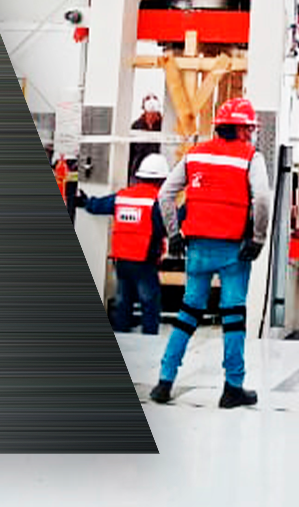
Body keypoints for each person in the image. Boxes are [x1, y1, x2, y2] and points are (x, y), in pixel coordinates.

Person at [149, 97, 272, 409]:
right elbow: (262, 198)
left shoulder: (195, 153)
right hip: (234, 251)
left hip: (198, 248)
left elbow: (165, 194)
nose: (251, 133)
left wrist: (174, 233)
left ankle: (164, 381)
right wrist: (258, 238)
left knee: (188, 313)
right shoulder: (251, 157)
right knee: (233, 316)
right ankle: (233, 388)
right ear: (239, 129)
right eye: (248, 128)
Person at [76, 154, 174, 334]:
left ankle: (122, 330)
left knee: (123, 299)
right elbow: (164, 228)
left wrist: (85, 202)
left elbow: (100, 206)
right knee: (149, 301)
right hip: (144, 259)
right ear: (162, 180)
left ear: (139, 177)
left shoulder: (123, 196)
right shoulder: (158, 201)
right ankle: (149, 336)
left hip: (121, 258)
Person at [129, 95, 164, 177]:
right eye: (149, 113)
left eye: (153, 113)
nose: (151, 116)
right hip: (138, 169)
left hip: (158, 169)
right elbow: (131, 151)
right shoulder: (136, 126)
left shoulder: (163, 126)